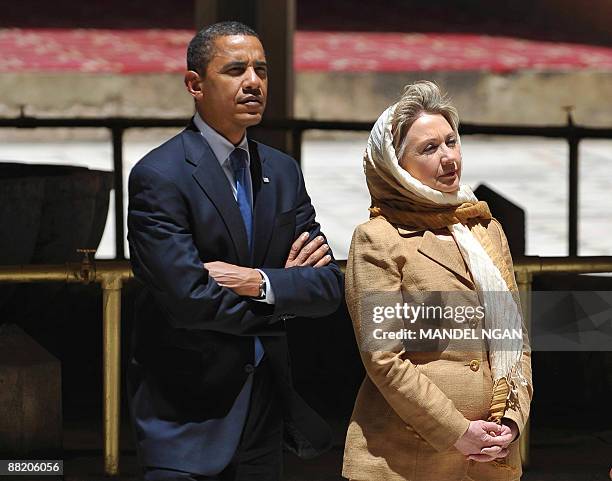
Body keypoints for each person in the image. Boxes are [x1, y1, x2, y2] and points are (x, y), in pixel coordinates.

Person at [126, 21, 343, 481]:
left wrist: (256, 282)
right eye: (236, 70)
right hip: (186, 421)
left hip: (265, 415)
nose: (254, 82)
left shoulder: (282, 172)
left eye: (261, 70)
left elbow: (327, 287)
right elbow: (186, 302)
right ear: (195, 84)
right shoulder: (160, 176)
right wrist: (284, 299)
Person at [342, 81, 532, 481]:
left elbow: (517, 339)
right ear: (395, 165)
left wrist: (513, 421)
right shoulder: (379, 239)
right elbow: (384, 359)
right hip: (408, 459)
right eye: (429, 149)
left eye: (451, 142)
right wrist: (457, 431)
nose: (448, 158)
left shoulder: (484, 228)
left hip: (491, 460)